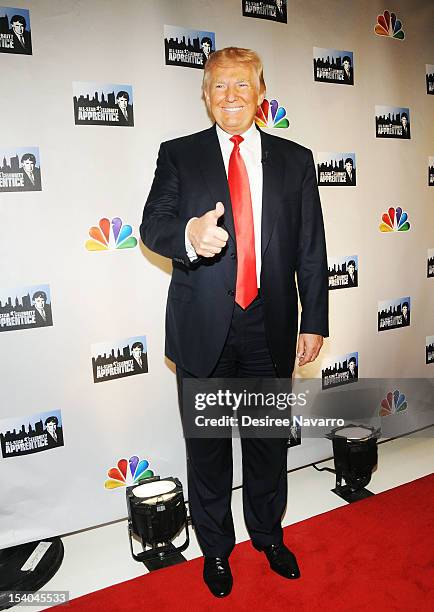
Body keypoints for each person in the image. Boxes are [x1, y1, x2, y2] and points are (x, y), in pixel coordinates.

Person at [140, 47, 328, 598]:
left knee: (268, 444)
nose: (230, 97)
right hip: (204, 328)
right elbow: (153, 225)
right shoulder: (178, 155)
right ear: (204, 95)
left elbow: (313, 248)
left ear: (260, 92)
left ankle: (268, 535)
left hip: (269, 325)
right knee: (209, 448)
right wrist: (188, 238)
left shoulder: (296, 160)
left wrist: (312, 318)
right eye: (219, 87)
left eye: (241, 86)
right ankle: (217, 550)